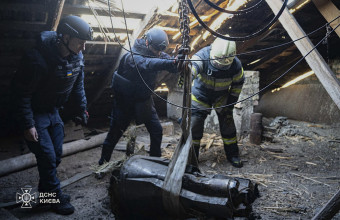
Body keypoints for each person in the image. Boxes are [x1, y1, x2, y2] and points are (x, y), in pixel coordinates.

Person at [11, 15, 93, 214]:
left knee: (55, 156)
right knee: (47, 156)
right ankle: (55, 197)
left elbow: (78, 85)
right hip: (35, 114)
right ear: (65, 37)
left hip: (53, 111)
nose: (84, 47)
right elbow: (21, 94)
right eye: (80, 42)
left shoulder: (76, 57)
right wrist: (27, 124)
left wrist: (82, 107)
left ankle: (45, 193)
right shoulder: (36, 59)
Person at [98, 28, 181, 165]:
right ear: (147, 42)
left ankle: (155, 162)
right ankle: (102, 163)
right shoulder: (132, 56)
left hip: (143, 100)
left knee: (157, 131)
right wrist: (170, 63)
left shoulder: (157, 51)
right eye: (156, 50)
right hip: (124, 103)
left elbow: (168, 62)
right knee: (114, 135)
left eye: (160, 51)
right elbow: (147, 64)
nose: (158, 53)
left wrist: (177, 61)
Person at [190, 37, 244, 168]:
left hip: (222, 96)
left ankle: (233, 155)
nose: (220, 66)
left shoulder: (236, 65)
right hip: (201, 95)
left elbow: (238, 83)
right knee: (195, 125)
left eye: (223, 65)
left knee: (228, 124)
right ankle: (192, 157)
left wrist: (231, 102)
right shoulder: (202, 56)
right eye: (218, 63)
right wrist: (187, 74)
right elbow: (193, 68)